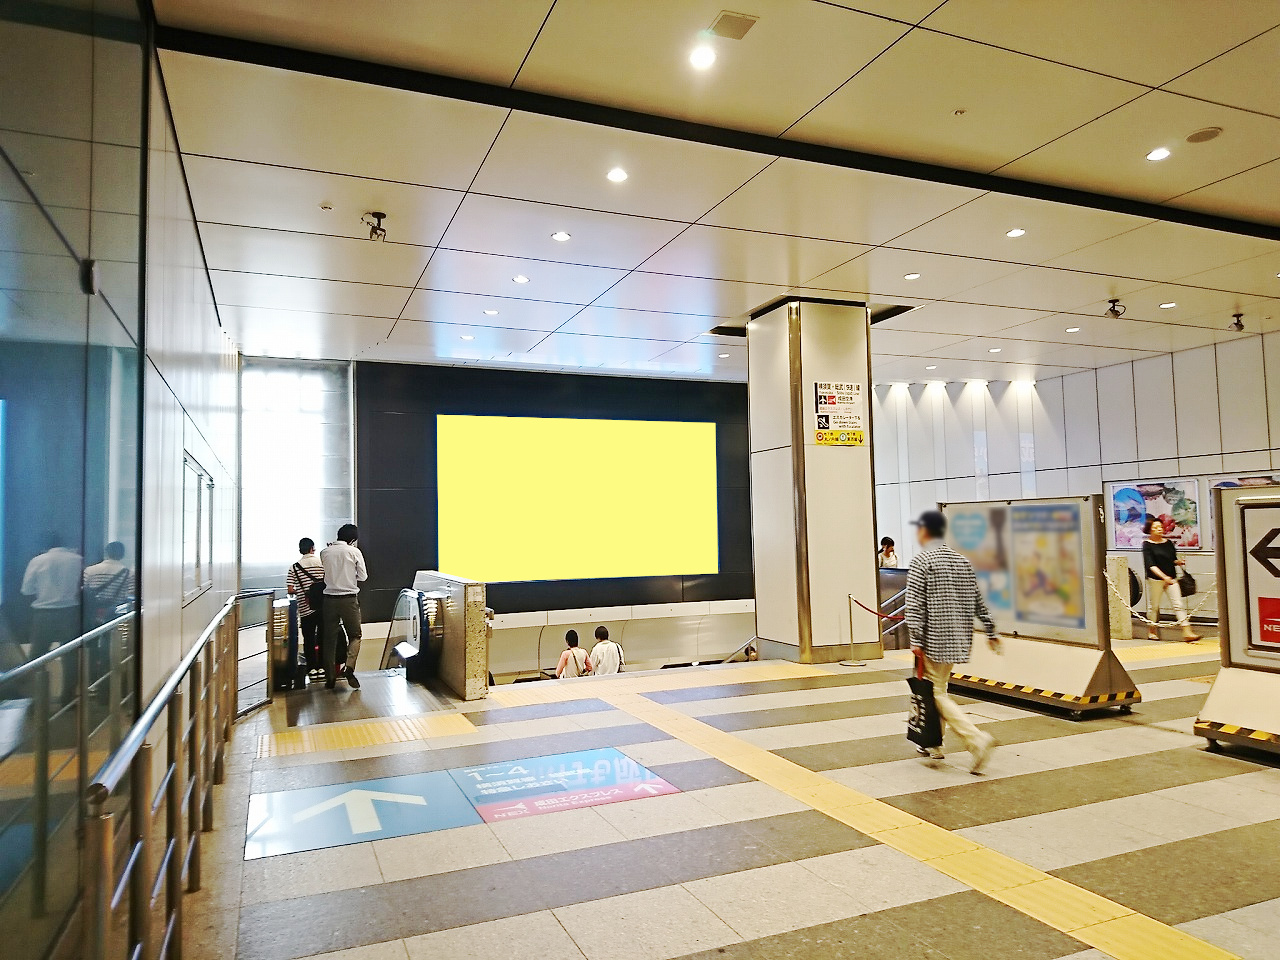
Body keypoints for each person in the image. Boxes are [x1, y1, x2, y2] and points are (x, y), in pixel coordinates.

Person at [905, 510, 999, 774]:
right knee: (940, 689)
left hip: (932, 638)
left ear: (924, 531)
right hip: (958, 637)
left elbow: (914, 606)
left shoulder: (922, 561)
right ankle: (934, 744)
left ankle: (975, 739)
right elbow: (978, 601)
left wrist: (915, 639)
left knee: (934, 693)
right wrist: (991, 631)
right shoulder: (962, 561)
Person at [21, 534, 83, 700]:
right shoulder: (77, 559)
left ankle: (36, 699)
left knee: (37, 657)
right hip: (70, 612)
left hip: (43, 613)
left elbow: (26, 589)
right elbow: (81, 585)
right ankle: (67, 699)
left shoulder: (37, 561)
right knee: (70, 657)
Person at [320, 524, 367, 690]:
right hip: (348, 599)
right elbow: (363, 576)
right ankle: (349, 667)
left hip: (329, 600)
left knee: (329, 639)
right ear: (353, 539)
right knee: (355, 635)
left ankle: (330, 677)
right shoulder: (354, 552)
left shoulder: (325, 552)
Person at [1142, 519, 1200, 642]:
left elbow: (1172, 559)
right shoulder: (1147, 545)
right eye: (1156, 527)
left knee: (1178, 604)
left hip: (1171, 579)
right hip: (1156, 579)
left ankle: (1187, 631)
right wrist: (1164, 577)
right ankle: (1152, 630)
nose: (1160, 529)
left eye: (1161, 527)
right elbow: (1151, 565)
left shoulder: (1168, 543)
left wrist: (1178, 562)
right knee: (1154, 606)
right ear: (1150, 529)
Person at [286, 538, 326, 683]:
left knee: (308, 639)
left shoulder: (294, 567)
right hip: (322, 607)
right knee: (322, 637)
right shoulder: (321, 564)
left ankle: (311, 669)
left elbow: (290, 590)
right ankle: (322, 667)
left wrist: (303, 592)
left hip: (305, 608)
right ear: (312, 549)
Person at [83, 541, 135, 626]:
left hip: (94, 612)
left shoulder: (89, 570)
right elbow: (131, 595)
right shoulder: (129, 573)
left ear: (106, 552)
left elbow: (84, 590)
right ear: (122, 554)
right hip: (116, 613)